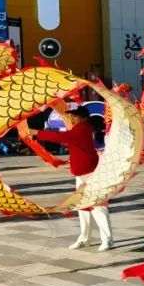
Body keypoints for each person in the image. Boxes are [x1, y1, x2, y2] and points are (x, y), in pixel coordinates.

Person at [31, 104, 113, 250]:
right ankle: (85, 238)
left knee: (98, 206)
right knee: (82, 207)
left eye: (75, 115)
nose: (72, 118)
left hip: (90, 173)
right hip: (82, 173)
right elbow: (68, 139)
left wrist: (37, 132)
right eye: (71, 115)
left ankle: (107, 239)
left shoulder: (82, 129)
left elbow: (62, 137)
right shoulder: (81, 128)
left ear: (83, 117)